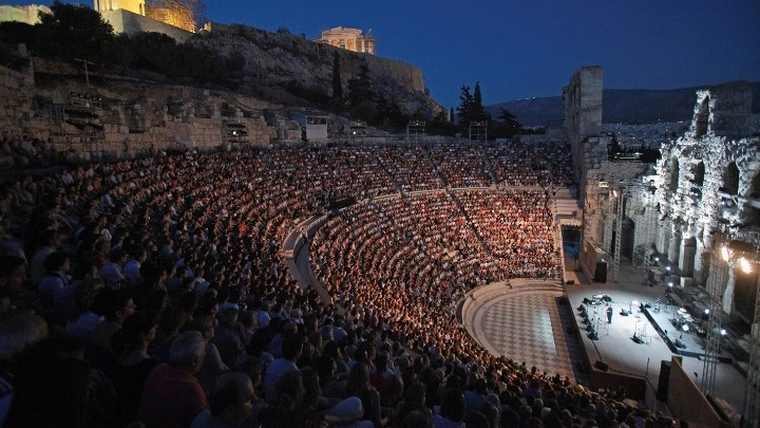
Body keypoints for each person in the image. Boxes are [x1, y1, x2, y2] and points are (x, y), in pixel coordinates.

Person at [139, 331, 209, 428]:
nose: (205, 356)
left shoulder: (158, 370)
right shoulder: (193, 390)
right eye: (204, 353)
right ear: (195, 360)